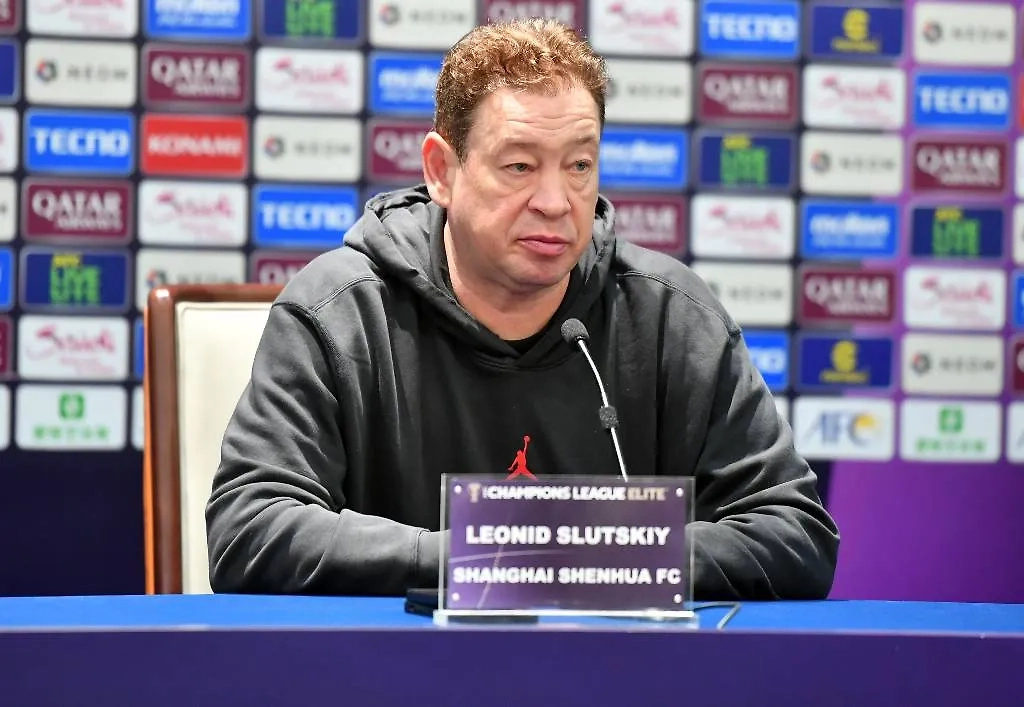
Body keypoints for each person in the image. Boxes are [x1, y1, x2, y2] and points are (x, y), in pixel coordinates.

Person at [206, 18, 840, 600]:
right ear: (442, 170)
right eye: (519, 166)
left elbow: (794, 534)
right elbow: (250, 531)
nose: (556, 201)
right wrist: (485, 559)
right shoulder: (339, 313)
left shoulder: (670, 315)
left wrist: (593, 560)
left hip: (612, 669)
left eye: (579, 165)